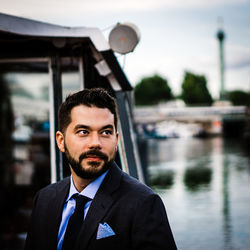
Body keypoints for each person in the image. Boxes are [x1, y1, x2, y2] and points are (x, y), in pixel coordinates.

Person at [24, 88, 177, 250]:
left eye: (105, 132)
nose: (95, 143)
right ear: (61, 141)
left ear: (116, 140)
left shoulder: (143, 204)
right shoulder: (44, 199)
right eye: (83, 132)